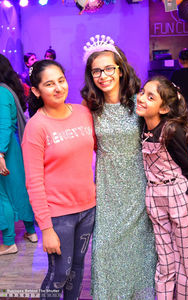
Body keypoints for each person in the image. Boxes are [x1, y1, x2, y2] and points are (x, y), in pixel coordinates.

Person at [81, 35, 157, 299]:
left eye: (109, 68)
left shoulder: (139, 103)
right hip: (107, 191)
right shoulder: (90, 107)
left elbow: (169, 133)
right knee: (103, 249)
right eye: (97, 71)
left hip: (139, 189)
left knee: (141, 250)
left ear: (121, 69)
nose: (103, 75)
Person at [21, 59, 96, 300]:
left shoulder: (83, 113)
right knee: (59, 273)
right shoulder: (36, 127)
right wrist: (46, 228)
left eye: (61, 81)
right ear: (36, 90)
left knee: (77, 271)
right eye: (49, 84)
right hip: (58, 214)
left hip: (88, 209)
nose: (58, 88)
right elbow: (33, 182)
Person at [136, 75, 188, 299]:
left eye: (150, 97)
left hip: (180, 196)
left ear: (163, 108)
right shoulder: (141, 125)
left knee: (187, 262)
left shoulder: (172, 130)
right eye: (142, 92)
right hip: (154, 196)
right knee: (165, 262)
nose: (142, 98)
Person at [0, 54, 38, 256]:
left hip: (5, 150)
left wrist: (0, 153)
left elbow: (4, 125)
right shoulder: (8, 90)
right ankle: (31, 232)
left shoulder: (0, 92)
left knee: (2, 194)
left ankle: (8, 242)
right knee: (20, 191)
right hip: (13, 148)